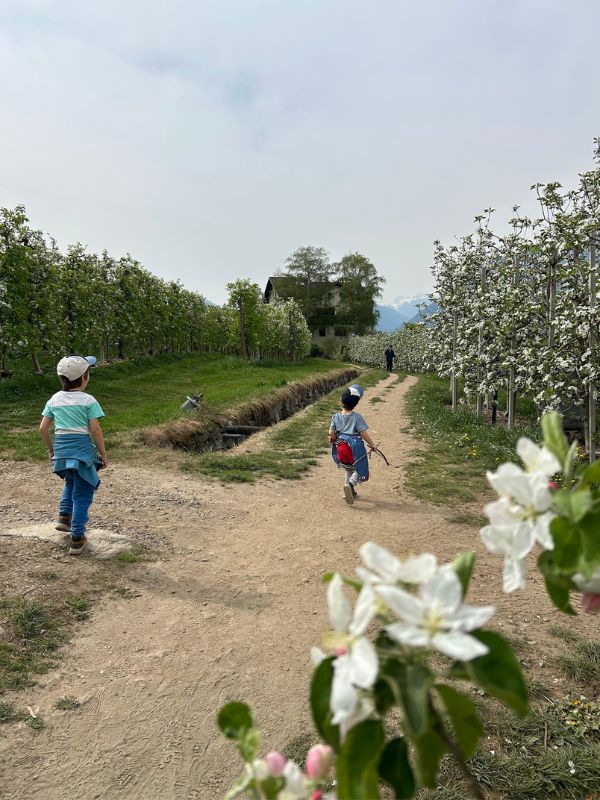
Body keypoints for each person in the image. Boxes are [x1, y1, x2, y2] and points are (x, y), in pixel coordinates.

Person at [39, 355, 108, 555]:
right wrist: (103, 454)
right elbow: (95, 430)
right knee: (83, 492)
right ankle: (77, 537)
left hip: (61, 453)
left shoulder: (54, 399)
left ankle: (64, 517)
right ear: (85, 378)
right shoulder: (88, 401)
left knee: (70, 482)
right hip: (82, 454)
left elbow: (43, 429)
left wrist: (52, 450)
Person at [329, 384, 377, 505]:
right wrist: (372, 445)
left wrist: (334, 438)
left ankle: (350, 491)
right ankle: (350, 485)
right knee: (360, 469)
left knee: (348, 468)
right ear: (356, 404)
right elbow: (363, 433)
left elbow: (331, 432)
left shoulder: (335, 417)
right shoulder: (357, 417)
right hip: (354, 447)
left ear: (341, 401)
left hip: (341, 446)